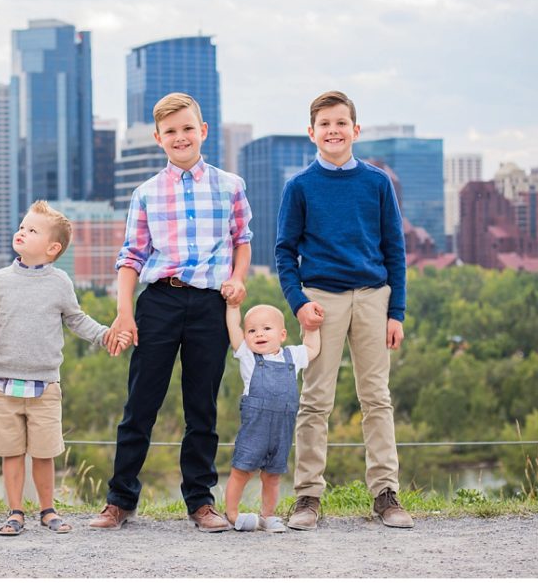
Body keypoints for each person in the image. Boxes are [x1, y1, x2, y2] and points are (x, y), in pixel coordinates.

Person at [90, 92, 252, 533]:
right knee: (141, 403)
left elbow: (243, 239)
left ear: (202, 131)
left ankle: (200, 501)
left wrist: (238, 278)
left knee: (202, 406)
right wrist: (125, 315)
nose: (180, 137)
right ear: (159, 139)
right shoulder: (145, 194)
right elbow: (130, 257)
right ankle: (120, 500)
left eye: (187, 129)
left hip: (209, 303)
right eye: (171, 132)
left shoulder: (230, 186)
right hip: (159, 300)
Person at [275, 90, 414, 530]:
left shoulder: (376, 183)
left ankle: (386, 494)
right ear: (311, 133)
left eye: (341, 123)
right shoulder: (299, 187)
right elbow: (283, 253)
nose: (333, 131)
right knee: (315, 400)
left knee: (377, 398)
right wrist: (299, 304)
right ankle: (308, 497)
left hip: (373, 298)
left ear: (356, 130)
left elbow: (396, 250)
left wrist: (397, 312)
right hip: (322, 300)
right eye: (324, 124)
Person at [0, 200, 129, 536]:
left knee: (44, 453)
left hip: (45, 386)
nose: (21, 232)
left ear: (52, 248)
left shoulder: (59, 282)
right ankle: (15, 512)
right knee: (11, 453)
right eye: (21, 226)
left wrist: (105, 335)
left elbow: (76, 319)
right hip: (3, 385)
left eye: (31, 230)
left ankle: (47, 509)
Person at [222, 303, 320, 533]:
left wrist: (312, 326)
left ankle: (268, 515)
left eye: (267, 328)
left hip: (282, 430)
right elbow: (233, 327)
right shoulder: (247, 355)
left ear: (283, 334)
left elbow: (312, 348)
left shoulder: (292, 356)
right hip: (255, 427)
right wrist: (233, 306)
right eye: (252, 331)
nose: (259, 334)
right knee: (241, 470)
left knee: (273, 475)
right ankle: (232, 513)